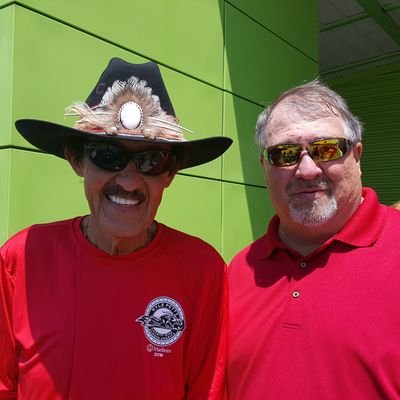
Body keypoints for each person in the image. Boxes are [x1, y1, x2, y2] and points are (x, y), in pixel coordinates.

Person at [0, 57, 232, 399]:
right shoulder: (22, 257)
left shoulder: (203, 270)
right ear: (77, 161)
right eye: (107, 155)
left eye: (151, 160)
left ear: (170, 174)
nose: (128, 181)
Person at [226, 80, 400, 399]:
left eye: (326, 149)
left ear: (357, 156)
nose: (306, 170)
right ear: (265, 166)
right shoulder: (238, 271)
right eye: (285, 153)